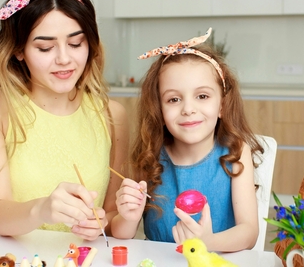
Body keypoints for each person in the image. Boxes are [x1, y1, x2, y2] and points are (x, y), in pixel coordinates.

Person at [0, 0, 129, 240]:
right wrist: (43, 209)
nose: (64, 59)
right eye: (45, 48)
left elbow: (113, 217)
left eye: (76, 43)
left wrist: (105, 221)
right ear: (18, 50)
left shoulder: (113, 115)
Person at [112, 28, 264, 252]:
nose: (188, 109)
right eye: (173, 99)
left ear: (221, 105)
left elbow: (249, 232)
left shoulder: (235, 151)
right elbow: (122, 234)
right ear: (159, 110)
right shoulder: (150, 155)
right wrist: (127, 216)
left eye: (202, 96)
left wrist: (209, 243)